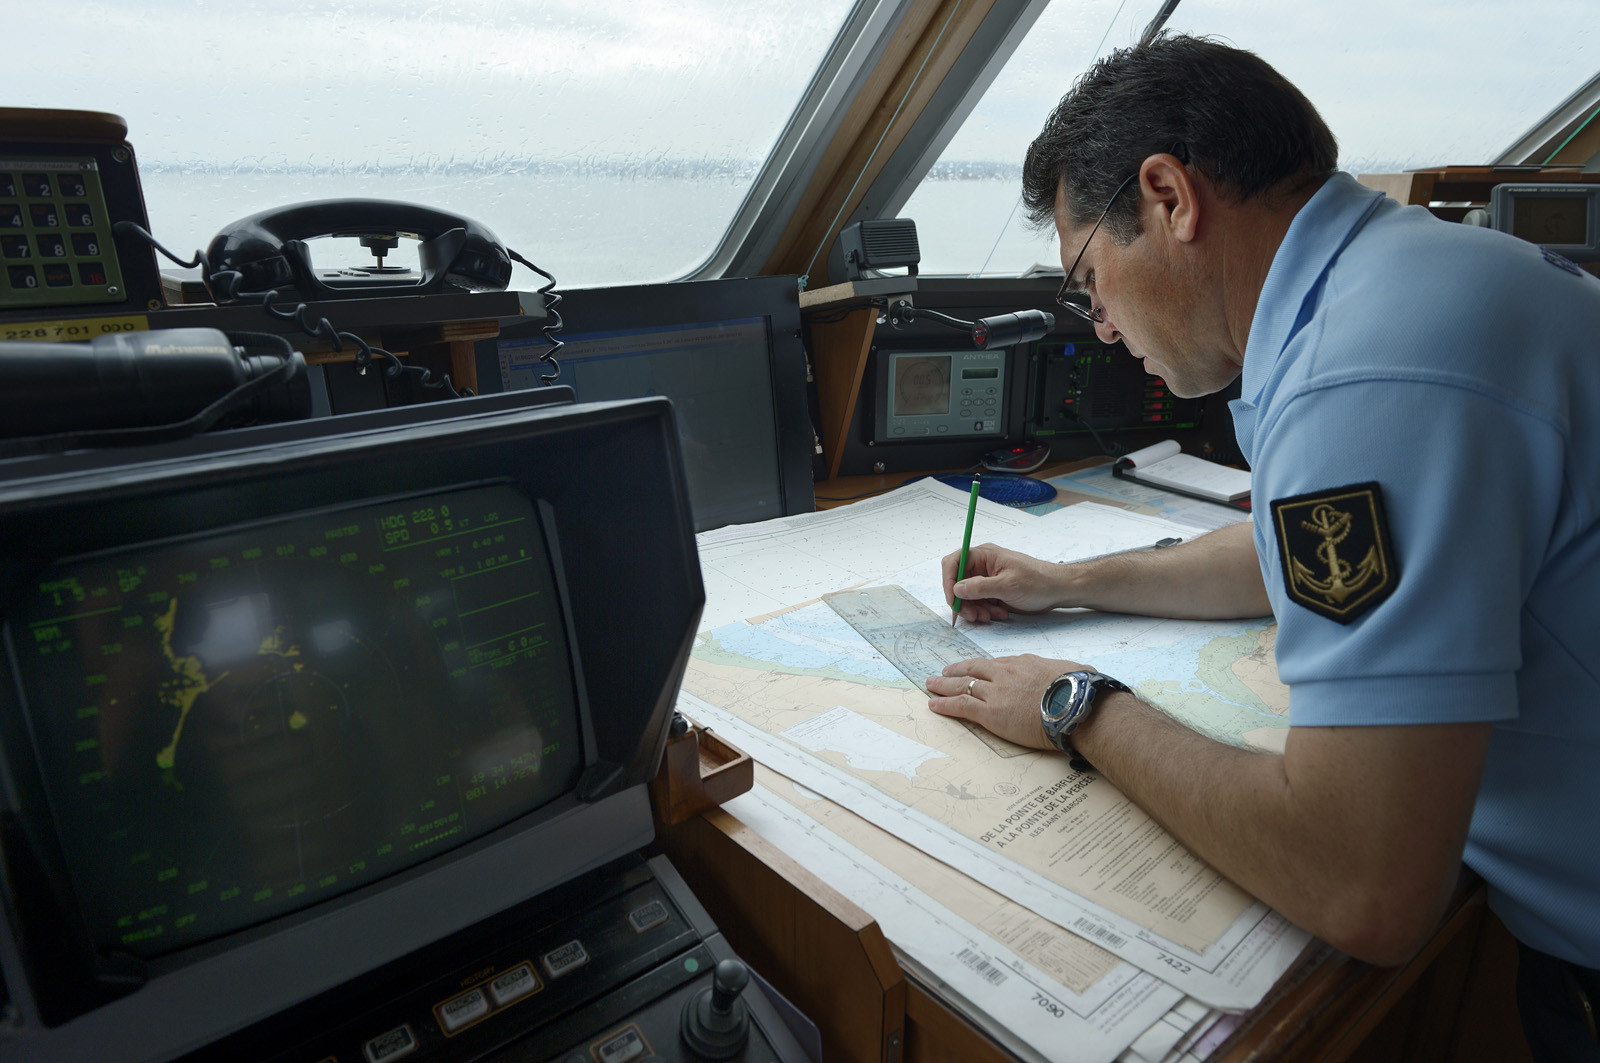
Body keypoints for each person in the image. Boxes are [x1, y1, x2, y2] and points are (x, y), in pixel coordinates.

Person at [922, 34, 1600, 1058]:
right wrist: (1068, 582)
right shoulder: (1404, 279)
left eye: (1087, 277)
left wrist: (1080, 707)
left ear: (1167, 198)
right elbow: (1297, 551)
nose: (1098, 326)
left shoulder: (1361, 378)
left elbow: (1362, 882)